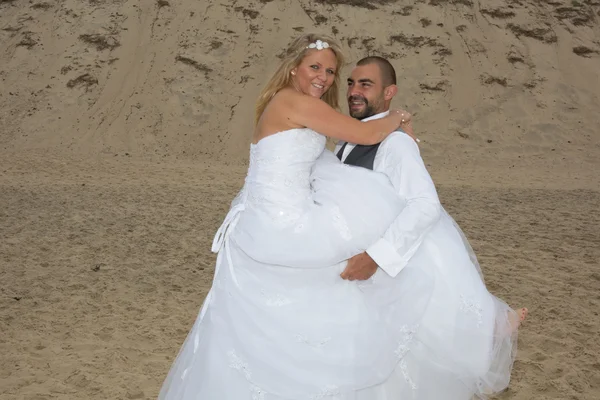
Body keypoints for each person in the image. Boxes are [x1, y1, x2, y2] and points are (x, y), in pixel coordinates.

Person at [157, 33, 524, 399]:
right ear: (294, 67)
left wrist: (399, 139)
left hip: (267, 219)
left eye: (332, 72)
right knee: (364, 261)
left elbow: (347, 170)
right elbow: (364, 136)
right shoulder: (296, 103)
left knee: (300, 302)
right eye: (317, 68)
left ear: (387, 90)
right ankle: (474, 326)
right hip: (281, 223)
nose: (326, 79)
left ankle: (475, 324)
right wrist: (399, 117)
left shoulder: (296, 108)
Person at [332, 55, 529, 398]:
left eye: (366, 84)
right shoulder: (349, 139)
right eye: (351, 83)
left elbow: (425, 205)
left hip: (386, 259)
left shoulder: (395, 143)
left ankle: (494, 326)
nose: (354, 91)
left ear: (389, 92)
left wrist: (377, 257)